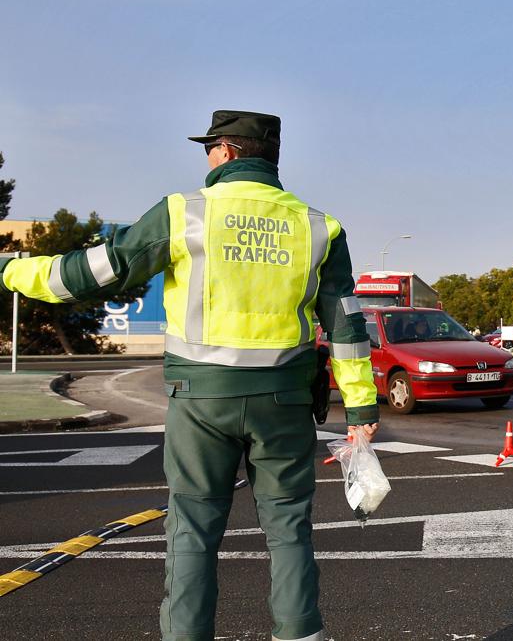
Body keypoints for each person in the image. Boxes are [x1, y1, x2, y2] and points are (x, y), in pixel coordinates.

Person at [0, 110, 378, 641]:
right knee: (289, 528)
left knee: (193, 531)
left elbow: (93, 273)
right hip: (285, 402)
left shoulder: (185, 212)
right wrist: (360, 409)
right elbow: (346, 324)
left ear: (224, 151)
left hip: (201, 400)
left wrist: (10, 269)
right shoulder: (318, 225)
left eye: (209, 149)